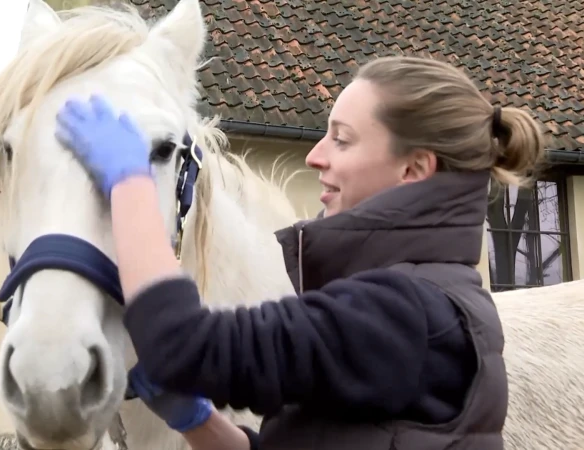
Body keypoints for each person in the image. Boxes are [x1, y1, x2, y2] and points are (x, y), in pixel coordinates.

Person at [53, 55, 545, 450]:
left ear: (414, 169)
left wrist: (130, 181)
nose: (315, 156)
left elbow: (183, 347)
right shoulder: (417, 299)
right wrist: (200, 422)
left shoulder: (407, 311)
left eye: (342, 140)